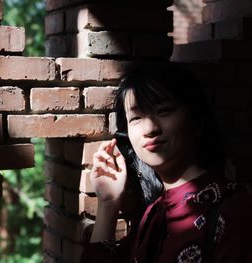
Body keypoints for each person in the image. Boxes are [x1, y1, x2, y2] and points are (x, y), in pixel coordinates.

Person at [80, 63, 252, 263]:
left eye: (164, 111)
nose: (150, 128)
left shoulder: (236, 212)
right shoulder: (153, 213)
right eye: (135, 118)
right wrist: (108, 204)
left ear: (197, 121)